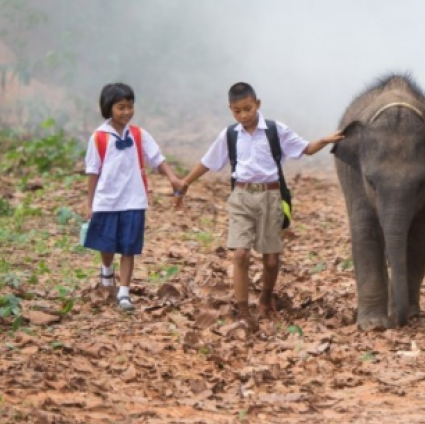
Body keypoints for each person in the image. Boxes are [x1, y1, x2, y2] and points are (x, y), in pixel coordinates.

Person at [177, 81, 343, 325]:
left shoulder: (275, 131)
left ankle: (266, 297)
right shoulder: (230, 135)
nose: (243, 115)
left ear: (258, 104)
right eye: (237, 111)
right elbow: (208, 162)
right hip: (241, 196)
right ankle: (244, 311)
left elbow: (305, 149)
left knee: (272, 260)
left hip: (270, 197)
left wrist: (326, 140)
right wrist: (186, 182)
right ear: (230, 109)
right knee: (240, 254)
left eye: (248, 109)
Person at [83, 82, 181, 311]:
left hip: (134, 199)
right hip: (107, 200)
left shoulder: (138, 134)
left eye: (130, 106)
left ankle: (124, 292)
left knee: (129, 247)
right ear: (108, 108)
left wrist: (173, 178)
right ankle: (107, 269)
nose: (127, 111)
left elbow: (157, 158)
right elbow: (93, 172)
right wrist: (90, 203)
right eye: (121, 107)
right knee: (107, 245)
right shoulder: (98, 138)